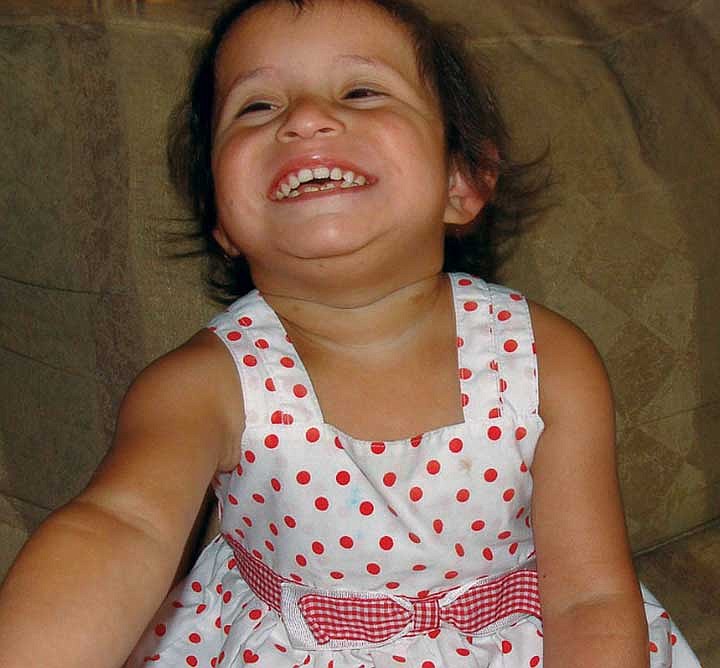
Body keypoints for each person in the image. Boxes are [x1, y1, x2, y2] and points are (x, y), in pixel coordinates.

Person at [0, 1, 703, 666]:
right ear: (221, 219)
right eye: (257, 106)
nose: (305, 119)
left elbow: (589, 597)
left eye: (362, 92)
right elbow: (122, 526)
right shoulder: (203, 385)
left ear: (462, 180)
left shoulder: (548, 361)